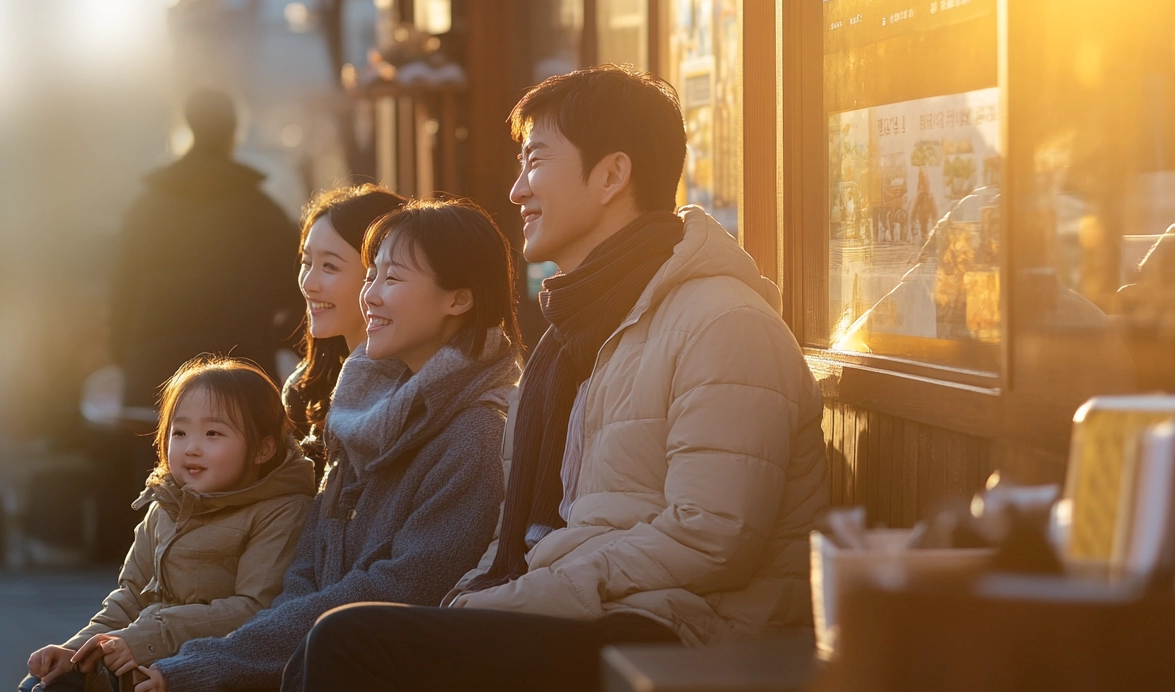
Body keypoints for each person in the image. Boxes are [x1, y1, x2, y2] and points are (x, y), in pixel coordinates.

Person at [285, 64, 830, 691]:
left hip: (684, 631)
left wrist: (530, 594)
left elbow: (714, 536)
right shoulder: (572, 338)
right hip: (596, 612)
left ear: (611, 175)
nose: (516, 190)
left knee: (349, 643)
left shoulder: (721, 323)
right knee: (326, 642)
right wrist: (477, 594)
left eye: (535, 162)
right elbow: (508, 540)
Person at [132, 199, 523, 692]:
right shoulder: (361, 415)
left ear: (458, 299)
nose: (370, 297)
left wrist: (200, 664)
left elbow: (398, 590)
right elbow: (305, 574)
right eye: (370, 276)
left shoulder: (476, 435)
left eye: (392, 279)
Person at [20, 356, 316, 692]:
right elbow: (130, 595)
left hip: (206, 668)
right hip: (140, 654)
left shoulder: (281, 511)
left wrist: (148, 636)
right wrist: (74, 651)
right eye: (180, 431)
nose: (192, 448)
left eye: (213, 433)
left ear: (262, 449)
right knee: (43, 681)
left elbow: (253, 609)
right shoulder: (165, 506)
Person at [110, 88, 300, 413]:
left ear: (186, 128)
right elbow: (298, 292)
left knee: (161, 459)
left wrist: (127, 357)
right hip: (241, 377)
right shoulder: (262, 210)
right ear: (234, 132)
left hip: (155, 379)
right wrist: (273, 342)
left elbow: (121, 296)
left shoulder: (143, 210)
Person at [284, 184, 406, 475]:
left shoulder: (419, 393)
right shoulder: (304, 390)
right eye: (306, 262)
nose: (309, 283)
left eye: (329, 266)